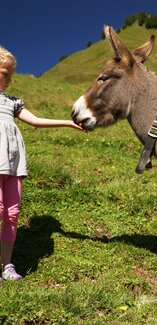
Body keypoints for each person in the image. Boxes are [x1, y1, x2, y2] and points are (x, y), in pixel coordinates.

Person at [0, 46, 83, 282]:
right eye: (5, 73)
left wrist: (67, 123)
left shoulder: (13, 102)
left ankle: (7, 265)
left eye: (11, 74)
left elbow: (35, 121)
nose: (10, 78)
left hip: (14, 166)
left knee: (12, 214)